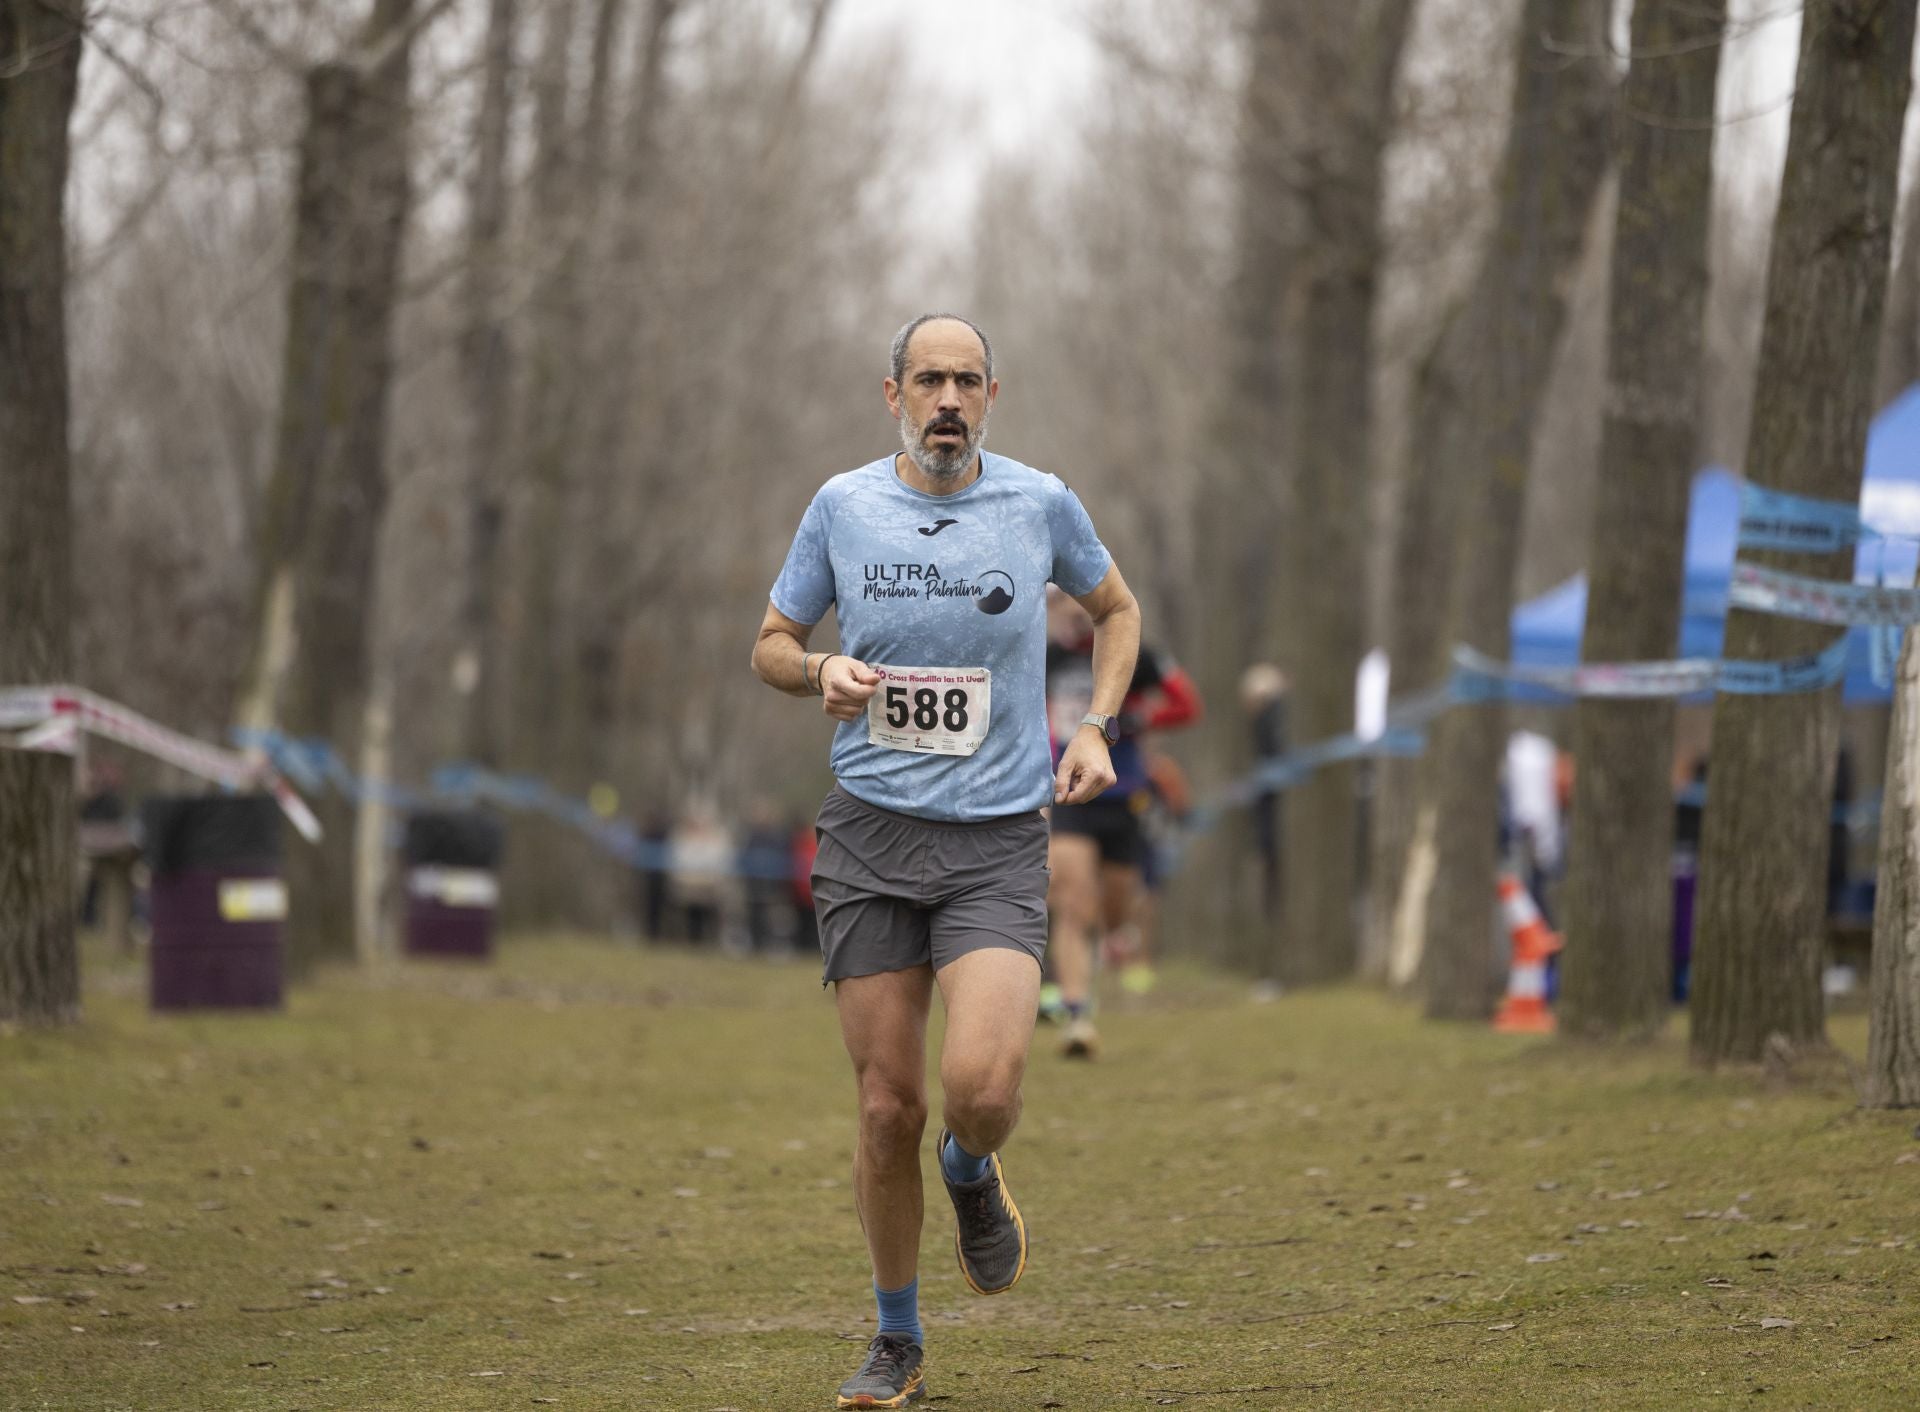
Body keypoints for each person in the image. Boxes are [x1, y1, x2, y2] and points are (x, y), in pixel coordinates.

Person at [751, 313, 1139, 1410]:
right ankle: (896, 1335)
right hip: (870, 835)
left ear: (993, 393)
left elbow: (1117, 610)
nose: (949, 400)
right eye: (930, 380)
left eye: (968, 380)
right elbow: (769, 641)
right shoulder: (843, 505)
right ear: (894, 396)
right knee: (886, 1108)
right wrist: (817, 665)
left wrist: (1099, 725)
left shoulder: (1038, 501)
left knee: (983, 1087)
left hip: (997, 840)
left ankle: (973, 1168)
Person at [1044, 590, 1200, 1056]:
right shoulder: (1044, 660)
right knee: (1073, 903)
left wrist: (1137, 717)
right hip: (1069, 794)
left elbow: (1187, 705)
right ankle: (1076, 1014)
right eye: (1058, 606)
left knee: (1112, 911)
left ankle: (1116, 937)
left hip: (1123, 794)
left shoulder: (1134, 655)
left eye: (1075, 603)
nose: (1069, 615)